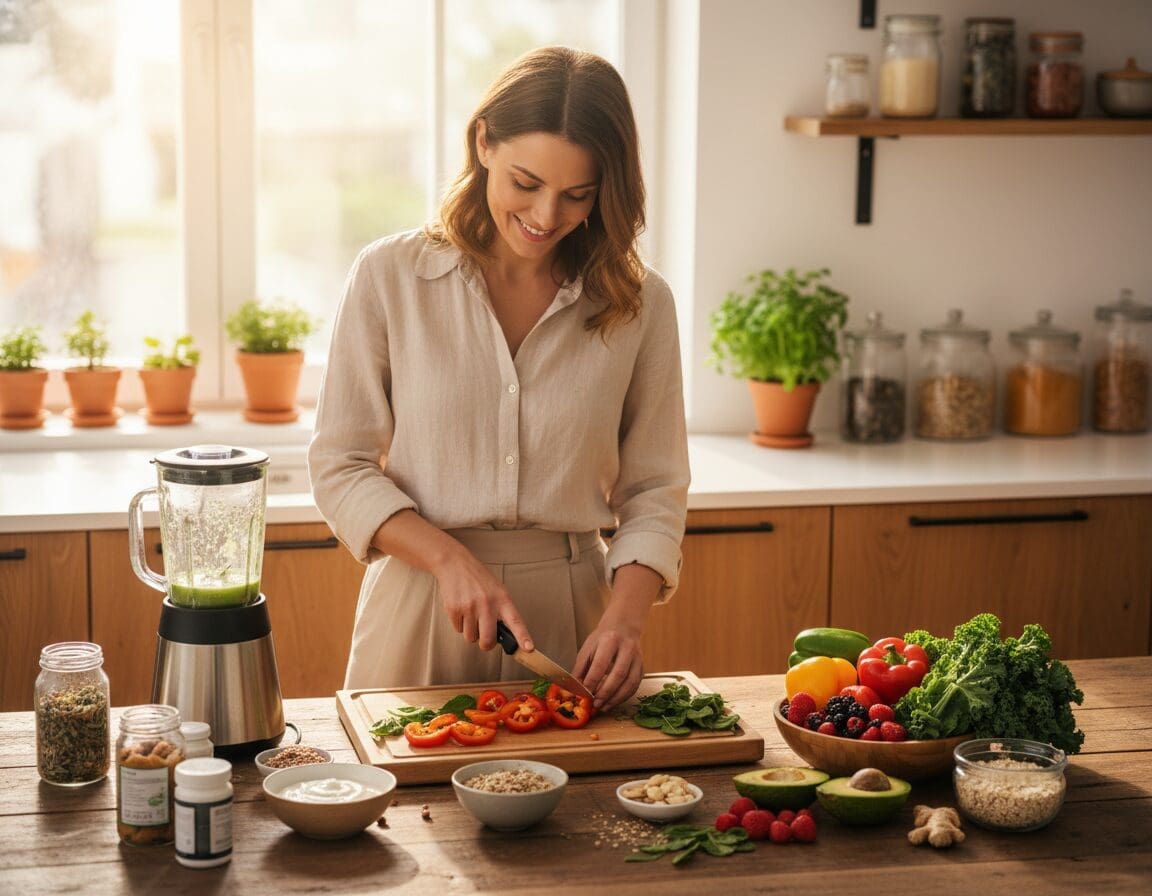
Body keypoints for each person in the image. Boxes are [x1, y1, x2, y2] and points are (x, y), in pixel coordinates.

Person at [307, 46, 689, 711]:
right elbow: (340, 465)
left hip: (573, 617)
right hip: (422, 602)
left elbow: (655, 487)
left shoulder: (640, 303)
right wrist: (448, 559)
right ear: (484, 142)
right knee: (400, 780)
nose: (545, 215)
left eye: (577, 195)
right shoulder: (389, 276)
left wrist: (625, 619)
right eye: (526, 183)